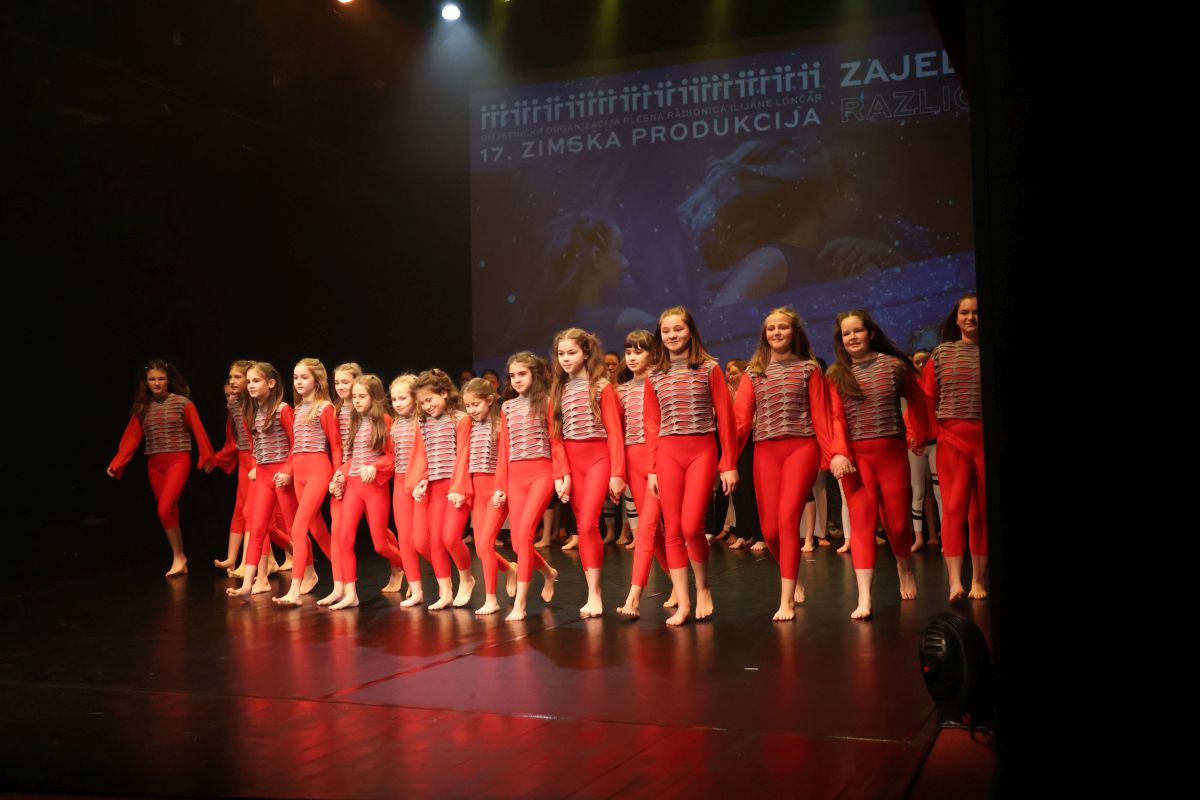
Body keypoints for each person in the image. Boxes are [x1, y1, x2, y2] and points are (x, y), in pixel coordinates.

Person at [826, 311, 933, 620]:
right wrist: (839, 453)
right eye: (846, 333)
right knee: (862, 525)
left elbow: (919, 399)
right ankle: (864, 596)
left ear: (870, 333)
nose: (852, 337)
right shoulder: (836, 374)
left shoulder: (894, 366)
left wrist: (918, 433)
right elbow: (835, 418)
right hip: (856, 459)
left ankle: (904, 567)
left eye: (857, 331)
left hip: (891, 453)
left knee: (897, 525)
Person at [734, 307, 836, 621]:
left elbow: (820, 415)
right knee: (769, 531)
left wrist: (830, 454)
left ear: (794, 332)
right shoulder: (754, 372)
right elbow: (741, 421)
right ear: (764, 334)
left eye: (783, 327)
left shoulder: (808, 368)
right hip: (766, 451)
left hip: (801, 448)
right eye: (771, 328)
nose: (777, 333)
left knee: (788, 519)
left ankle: (786, 599)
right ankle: (793, 578)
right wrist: (725, 459)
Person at [644, 306, 738, 625]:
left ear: (690, 331)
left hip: (701, 450)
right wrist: (653, 468)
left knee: (690, 527)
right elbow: (651, 424)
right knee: (672, 529)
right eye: (666, 331)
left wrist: (729, 463)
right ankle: (683, 603)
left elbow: (725, 418)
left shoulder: (709, 369)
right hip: (668, 453)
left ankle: (703, 587)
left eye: (678, 329)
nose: (672, 335)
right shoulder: (655, 374)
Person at [108, 359, 215, 577]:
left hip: (178, 459)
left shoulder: (182, 403)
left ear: (168, 380)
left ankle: (179, 556)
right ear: (146, 381)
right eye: (152, 379)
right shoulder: (143, 407)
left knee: (163, 508)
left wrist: (206, 456)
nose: (156, 383)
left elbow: (198, 430)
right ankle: (179, 556)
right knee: (168, 511)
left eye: (161, 379)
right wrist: (118, 461)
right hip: (154, 463)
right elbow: (132, 437)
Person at [550, 328, 626, 618]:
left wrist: (617, 473)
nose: (566, 358)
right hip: (572, 462)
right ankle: (593, 590)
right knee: (583, 528)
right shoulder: (558, 389)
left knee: (587, 523)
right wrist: (562, 474)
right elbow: (556, 437)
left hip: (598, 458)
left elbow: (614, 432)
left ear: (585, 353)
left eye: (572, 352)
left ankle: (595, 593)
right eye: (561, 354)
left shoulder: (601, 387)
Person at [921, 292, 987, 600]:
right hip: (952, 438)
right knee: (953, 509)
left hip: (985, 440)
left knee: (981, 513)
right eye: (965, 312)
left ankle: (978, 580)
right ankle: (954, 582)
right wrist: (923, 433)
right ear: (956, 318)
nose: (971, 317)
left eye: (976, 312)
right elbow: (925, 397)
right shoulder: (942, 353)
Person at [491, 352, 563, 621]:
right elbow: (504, 450)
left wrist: (561, 475)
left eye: (522, 374)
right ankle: (548, 573)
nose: (517, 380)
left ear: (535, 374)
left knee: (524, 535)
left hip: (541, 474)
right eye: (513, 376)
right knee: (519, 543)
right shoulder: (507, 408)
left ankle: (520, 604)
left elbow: (556, 442)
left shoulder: (547, 402)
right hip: (515, 477)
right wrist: (500, 485)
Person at [325, 374, 401, 610]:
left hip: (374, 488)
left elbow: (392, 457)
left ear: (374, 397)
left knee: (380, 544)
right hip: (354, 486)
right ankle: (351, 593)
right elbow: (355, 458)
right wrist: (341, 473)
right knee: (344, 537)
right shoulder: (356, 420)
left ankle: (409, 570)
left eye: (362, 396)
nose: (356, 401)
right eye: (355, 396)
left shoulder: (385, 420)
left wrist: (375, 467)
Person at [273, 359, 343, 605]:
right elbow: (295, 448)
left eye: (304, 377)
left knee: (298, 528)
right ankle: (345, 578)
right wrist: (288, 471)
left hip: (318, 470)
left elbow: (335, 445)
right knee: (317, 529)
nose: (299, 382)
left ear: (317, 380)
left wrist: (337, 475)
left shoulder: (325, 408)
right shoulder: (299, 408)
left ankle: (294, 589)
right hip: (300, 472)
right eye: (296, 377)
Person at [226, 363, 298, 600]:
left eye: (255, 381)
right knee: (258, 528)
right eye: (249, 381)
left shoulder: (283, 409)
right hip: (264, 476)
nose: (250, 385)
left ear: (271, 383)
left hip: (282, 475)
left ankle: (302, 578)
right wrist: (256, 466)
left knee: (294, 528)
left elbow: (296, 444)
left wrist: (288, 471)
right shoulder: (252, 410)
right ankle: (249, 584)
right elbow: (256, 444)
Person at [408, 369, 477, 610]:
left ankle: (466, 579)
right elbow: (422, 456)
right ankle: (445, 592)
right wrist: (420, 481)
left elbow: (463, 455)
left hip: (457, 487)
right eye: (422, 403)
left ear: (444, 393)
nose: (426, 406)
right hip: (435, 488)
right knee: (431, 542)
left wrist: (459, 488)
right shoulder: (423, 423)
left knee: (450, 538)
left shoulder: (461, 419)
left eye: (430, 400)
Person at [462, 377, 531, 615]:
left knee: (485, 544)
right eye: (468, 406)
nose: (471, 410)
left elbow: (506, 460)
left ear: (490, 400)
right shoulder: (470, 427)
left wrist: (503, 489)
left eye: (476, 404)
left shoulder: (501, 426)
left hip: (495, 489)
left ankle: (491, 598)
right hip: (477, 490)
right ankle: (515, 569)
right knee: (482, 550)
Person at [614, 330, 670, 618]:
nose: (632, 357)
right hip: (631, 461)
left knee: (646, 526)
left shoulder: (661, 383)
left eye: (639, 351)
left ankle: (634, 597)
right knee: (654, 532)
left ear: (653, 354)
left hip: (656, 462)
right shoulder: (621, 391)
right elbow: (616, 433)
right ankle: (677, 583)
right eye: (628, 352)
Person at [389, 374, 426, 608]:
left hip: (422, 482)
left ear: (415, 397)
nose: (398, 403)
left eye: (403, 398)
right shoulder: (394, 425)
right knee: (404, 538)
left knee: (423, 540)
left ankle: (451, 581)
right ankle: (416, 588)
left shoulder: (423, 421)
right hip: (400, 481)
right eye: (394, 399)